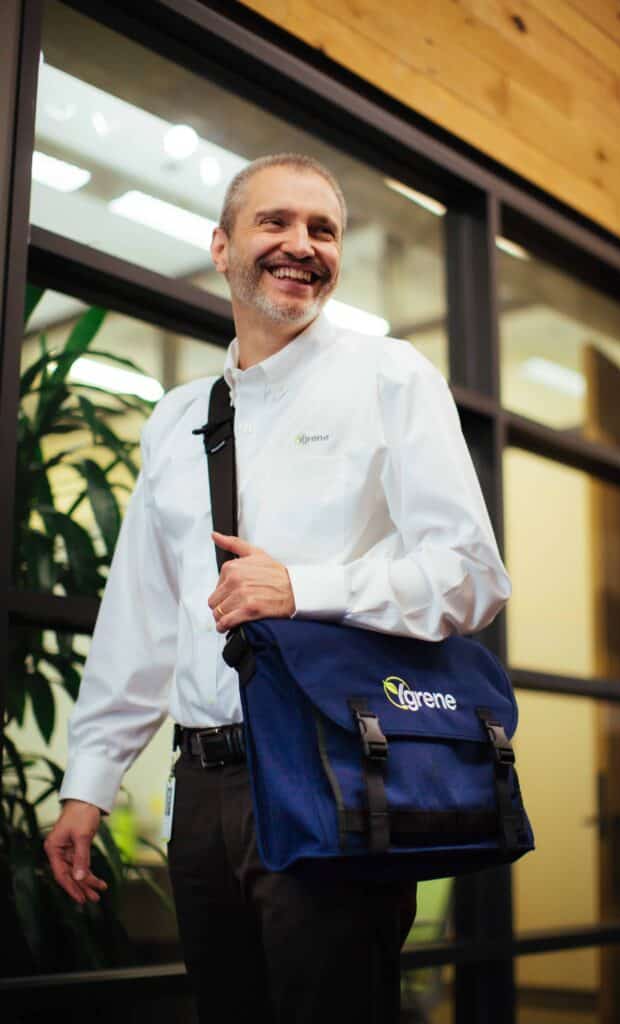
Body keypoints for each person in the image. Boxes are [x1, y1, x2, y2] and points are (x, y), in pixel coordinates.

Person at [44, 153, 511, 1022]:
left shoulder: (388, 376)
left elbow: (471, 576)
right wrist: (89, 783)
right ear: (221, 248)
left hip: (332, 764)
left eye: (322, 229)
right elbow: (142, 617)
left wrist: (303, 586)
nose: (300, 245)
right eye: (275, 223)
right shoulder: (175, 418)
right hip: (205, 786)